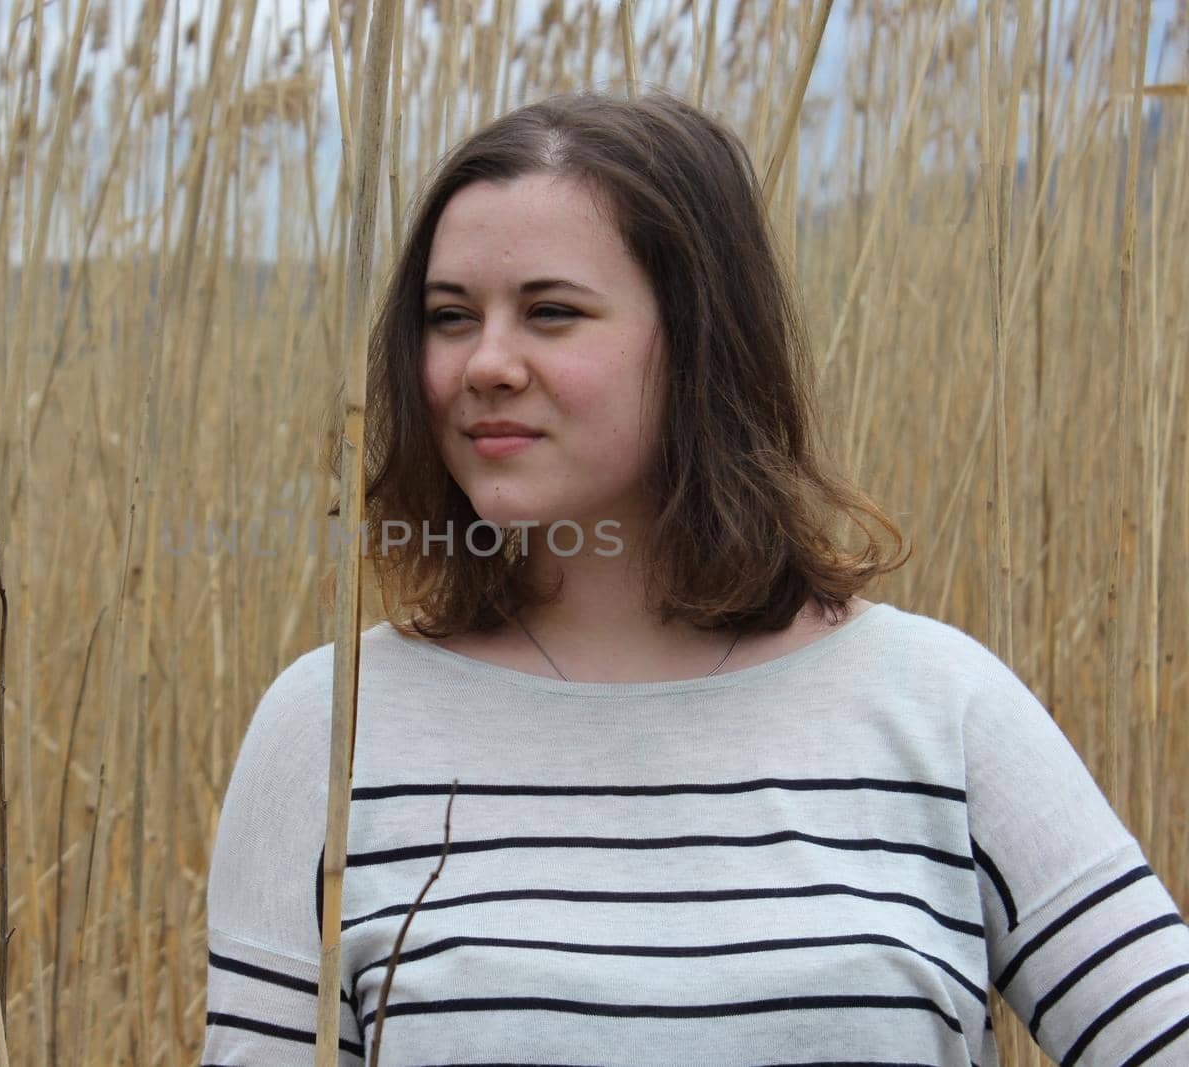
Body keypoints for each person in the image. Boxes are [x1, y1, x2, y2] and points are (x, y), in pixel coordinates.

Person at [199, 90, 1189, 1065]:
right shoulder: (333, 728)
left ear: (700, 341)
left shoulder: (937, 707)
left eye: (550, 312)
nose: (485, 363)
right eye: (450, 317)